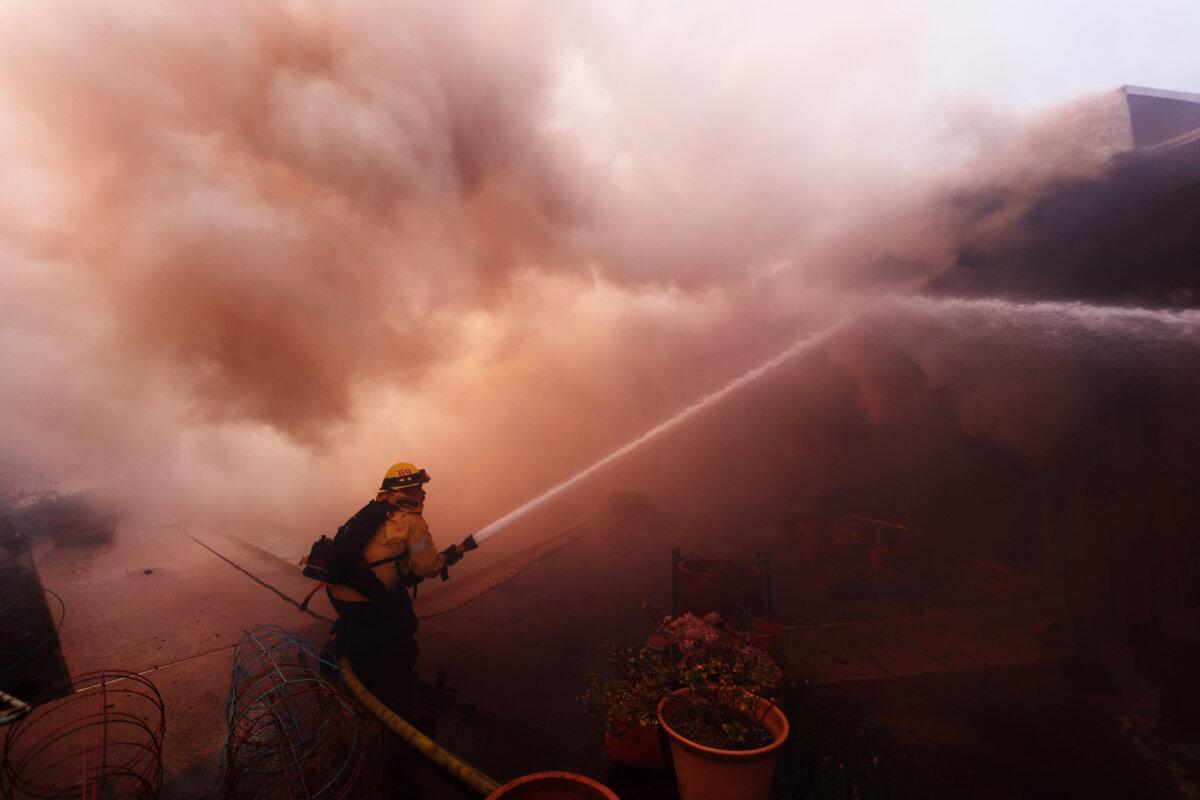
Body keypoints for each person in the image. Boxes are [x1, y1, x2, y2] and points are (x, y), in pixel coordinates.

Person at [325, 462, 463, 688]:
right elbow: (427, 568)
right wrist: (447, 558)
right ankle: (378, 675)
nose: (424, 492)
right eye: (419, 487)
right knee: (405, 626)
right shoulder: (412, 522)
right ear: (405, 491)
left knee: (392, 599)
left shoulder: (375, 510)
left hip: (339, 591)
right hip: (362, 600)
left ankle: (349, 631)